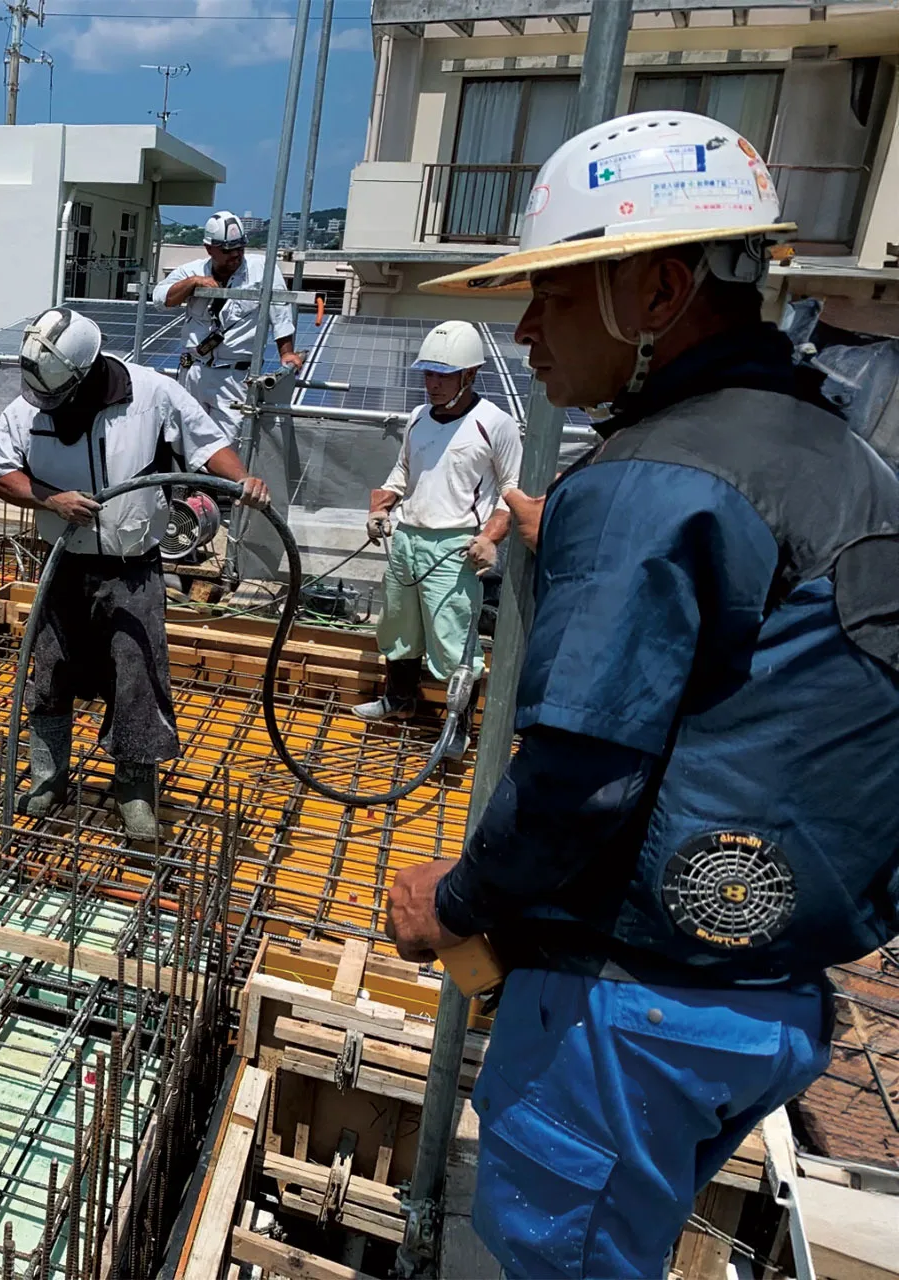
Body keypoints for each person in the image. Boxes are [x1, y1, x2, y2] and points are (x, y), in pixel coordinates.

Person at [385, 111, 899, 1279]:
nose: (527, 327)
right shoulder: (830, 450)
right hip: (769, 994)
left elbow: (580, 771)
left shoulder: (648, 480)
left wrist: (457, 903)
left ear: (657, 289)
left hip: (635, 1004)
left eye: (555, 296)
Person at [0, 307, 269, 842]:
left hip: (132, 568)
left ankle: (134, 789)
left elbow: (206, 445)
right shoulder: (31, 401)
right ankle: (50, 776)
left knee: (137, 675)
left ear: (86, 372)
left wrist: (244, 478)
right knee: (51, 669)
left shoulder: (152, 394)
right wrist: (52, 499)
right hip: (62, 563)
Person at [353, 320, 521, 753]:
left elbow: (511, 492)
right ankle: (399, 699)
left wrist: (490, 539)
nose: (433, 384)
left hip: (455, 547)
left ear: (469, 375)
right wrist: (381, 506)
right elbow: (403, 472)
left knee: (452, 640)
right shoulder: (418, 418)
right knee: (398, 626)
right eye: (428, 374)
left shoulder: (494, 424)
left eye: (443, 375)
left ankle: (458, 727)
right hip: (408, 537)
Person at [152, 211, 305, 521]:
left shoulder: (263, 270)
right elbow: (160, 298)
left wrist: (286, 353)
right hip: (194, 370)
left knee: (225, 443)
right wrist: (194, 283)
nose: (236, 255)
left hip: (234, 375)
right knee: (184, 437)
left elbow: (280, 312)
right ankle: (187, 506)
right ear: (210, 249)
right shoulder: (191, 270)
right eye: (228, 249)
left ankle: (213, 510)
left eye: (240, 248)